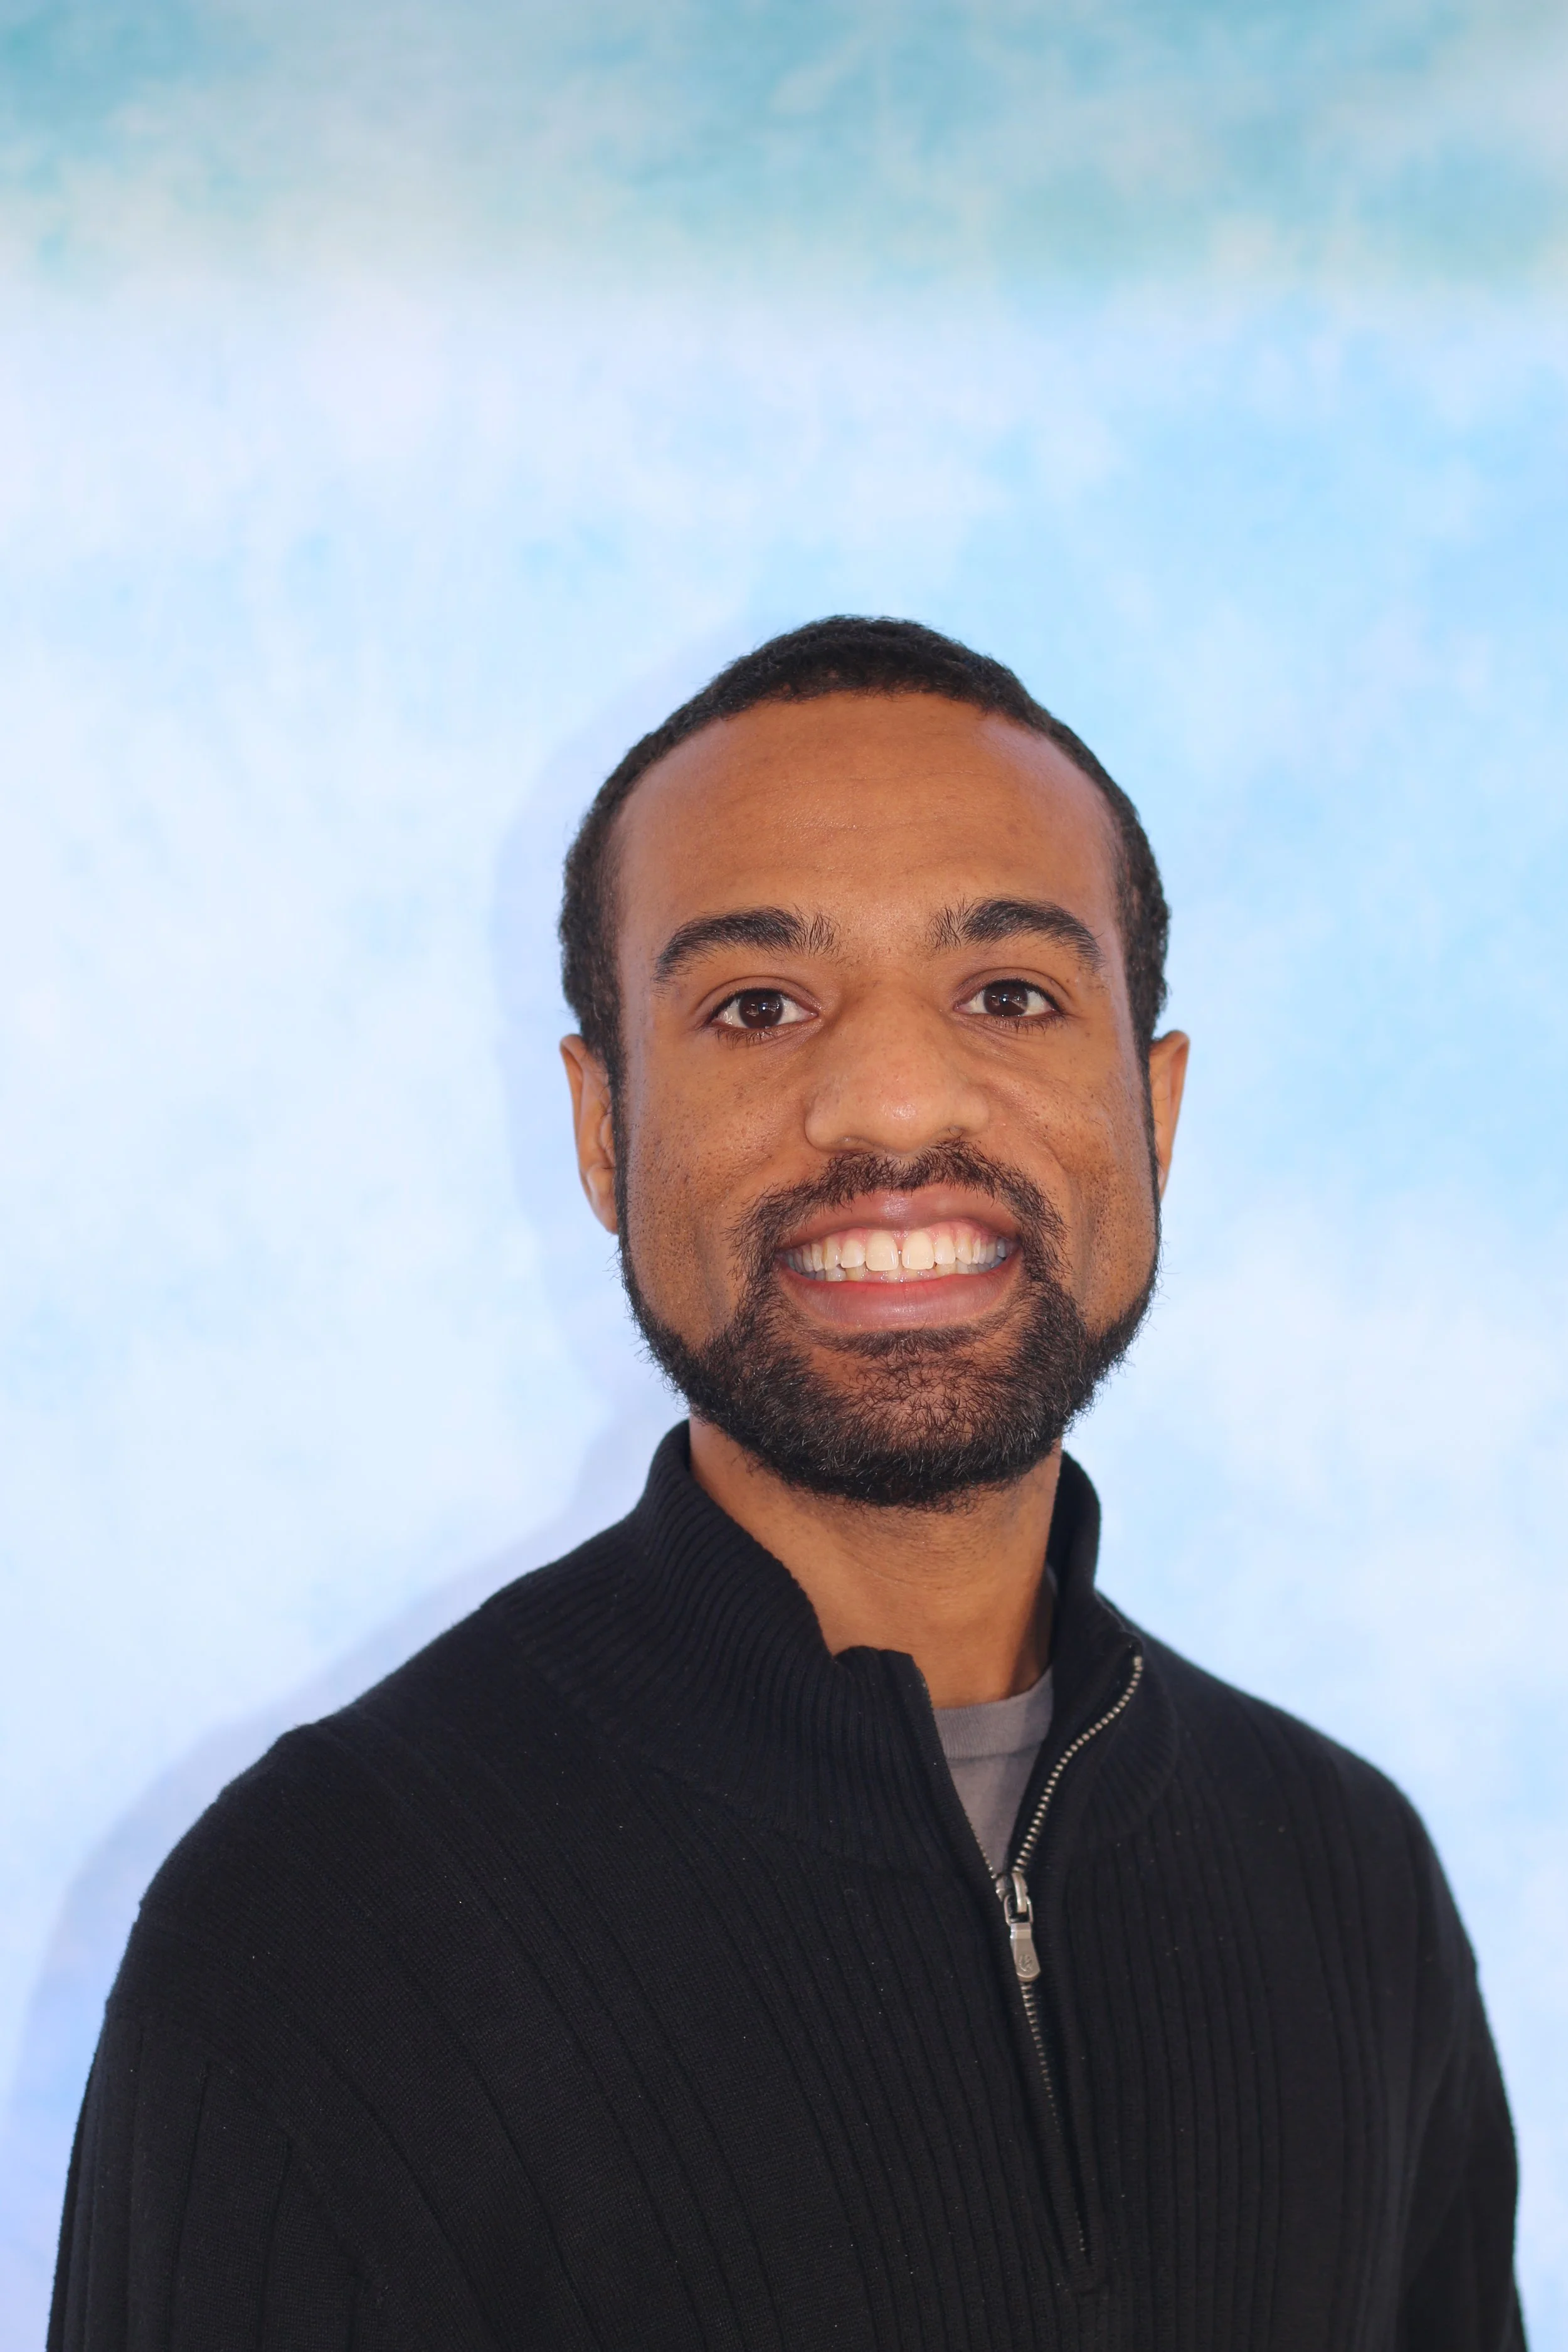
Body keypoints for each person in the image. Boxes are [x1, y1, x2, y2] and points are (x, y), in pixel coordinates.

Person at [51, 617, 1523, 2351]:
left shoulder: (1345, 1876)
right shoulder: (320, 1919)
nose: (890, 1099)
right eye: (757, 1004)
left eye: (1009, 993)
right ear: (602, 1129)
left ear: (1154, 1105)